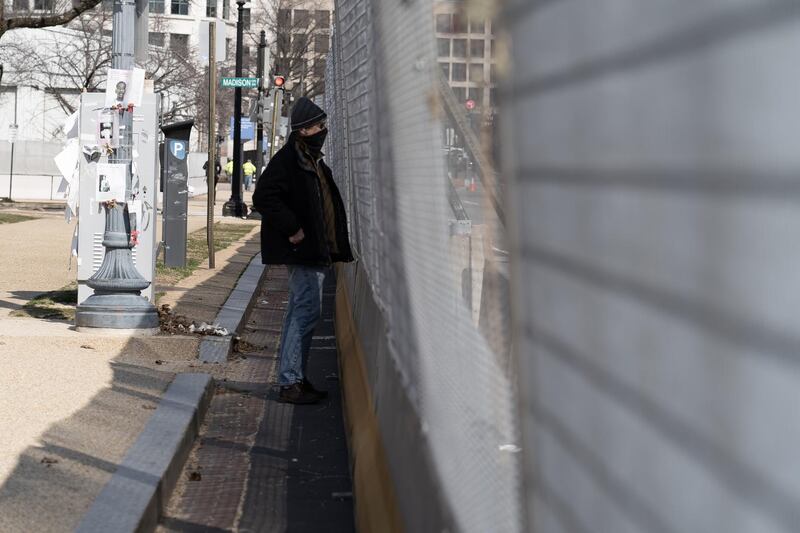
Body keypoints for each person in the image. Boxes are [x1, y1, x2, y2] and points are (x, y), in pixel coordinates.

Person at [252, 97, 353, 404]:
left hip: (312, 248)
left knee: (301, 311)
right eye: (318, 126)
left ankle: (294, 377)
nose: (323, 130)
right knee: (306, 311)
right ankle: (290, 381)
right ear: (303, 130)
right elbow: (263, 197)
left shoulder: (309, 158)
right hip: (302, 249)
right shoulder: (290, 161)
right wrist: (293, 228)